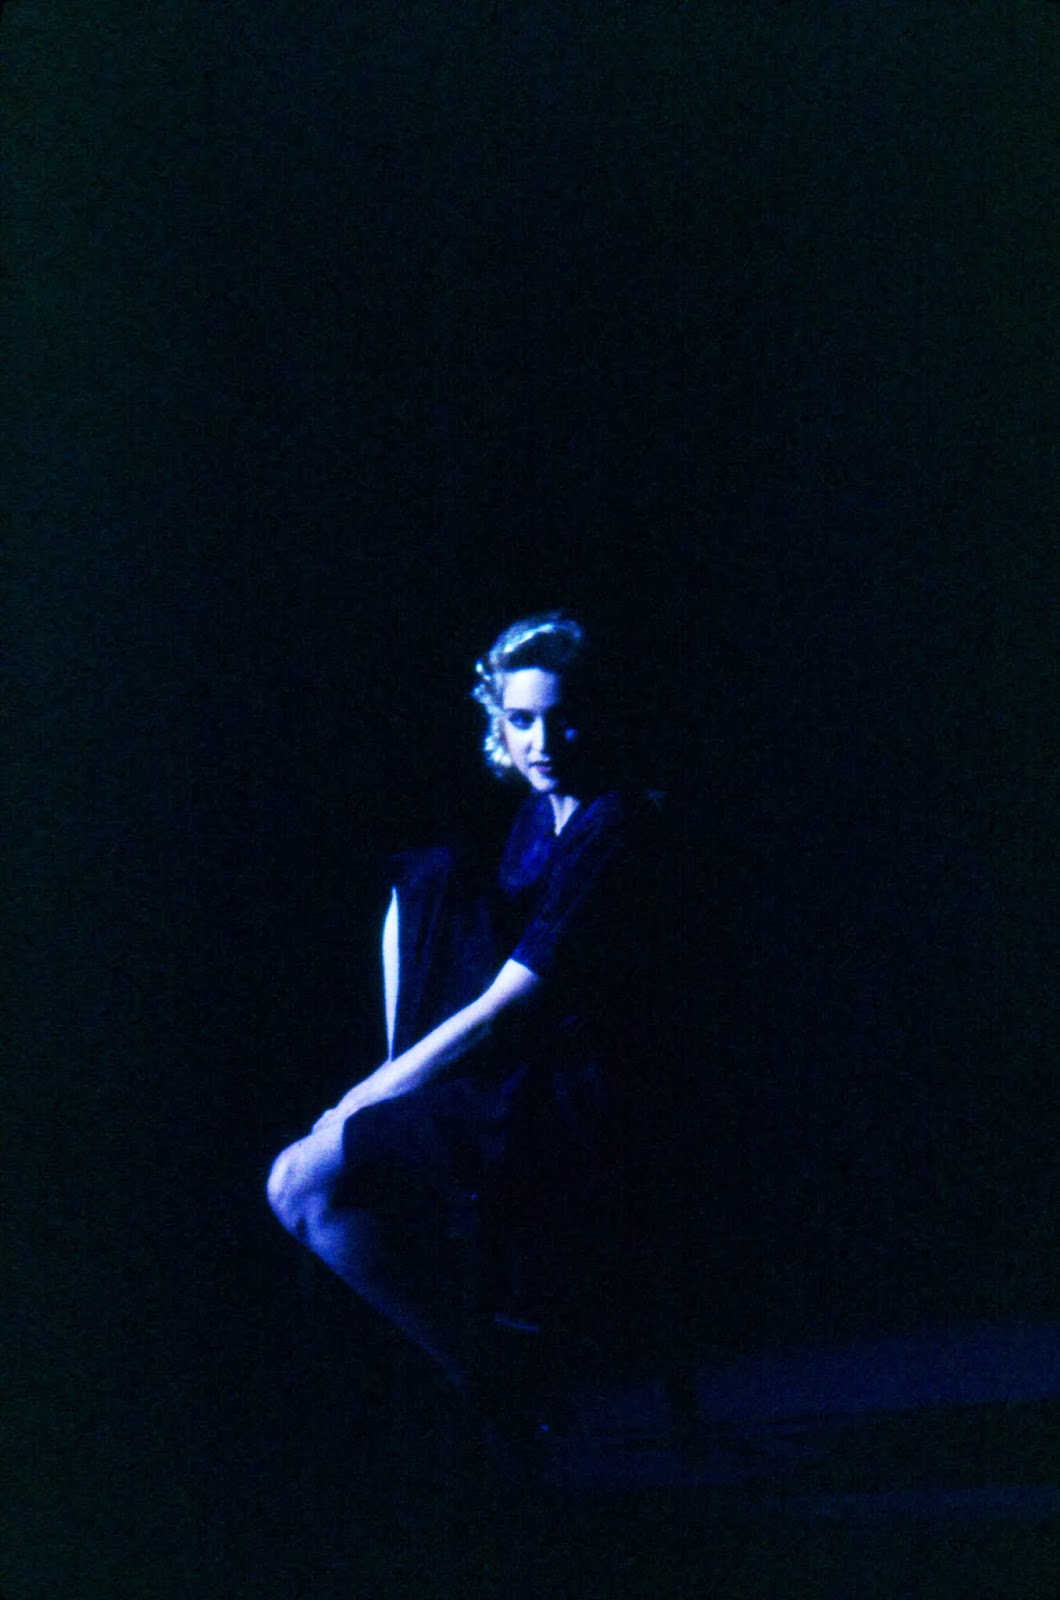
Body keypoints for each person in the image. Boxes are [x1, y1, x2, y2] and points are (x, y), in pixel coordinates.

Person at [266, 612, 672, 1422]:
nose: (542, 741)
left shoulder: (616, 823)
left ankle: (485, 1380)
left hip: (574, 1101)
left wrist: (370, 1092)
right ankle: (469, 1378)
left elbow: (509, 1007)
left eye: (563, 717)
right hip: (519, 1080)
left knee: (300, 1180)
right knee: (425, 875)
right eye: (521, 720)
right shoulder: (537, 819)